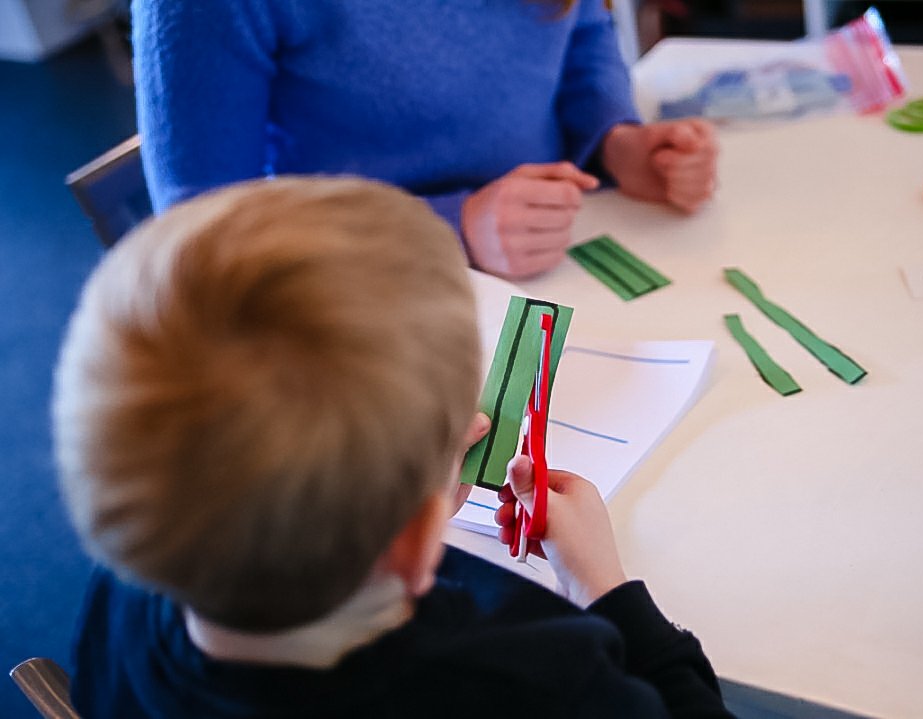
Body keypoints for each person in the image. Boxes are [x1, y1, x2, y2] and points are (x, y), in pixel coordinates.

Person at [53, 177, 732, 717]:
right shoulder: (546, 681)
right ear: (413, 548)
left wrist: (405, 490)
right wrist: (606, 590)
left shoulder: (123, 598)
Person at [132, 0, 719, 279]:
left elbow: (581, 26)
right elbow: (201, 227)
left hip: (554, 261)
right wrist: (453, 227)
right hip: (358, 287)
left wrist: (616, 140)